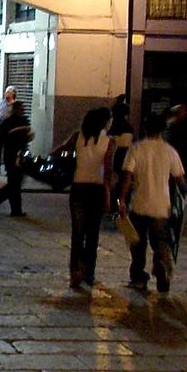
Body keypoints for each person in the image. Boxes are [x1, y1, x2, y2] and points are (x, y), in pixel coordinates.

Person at [117, 114, 187, 294]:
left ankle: (138, 276)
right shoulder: (170, 151)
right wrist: (185, 196)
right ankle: (162, 265)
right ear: (163, 130)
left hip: (139, 204)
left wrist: (122, 199)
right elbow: (180, 180)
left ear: (145, 128)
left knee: (138, 243)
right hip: (161, 206)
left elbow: (127, 176)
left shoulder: (136, 149)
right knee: (161, 241)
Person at [62, 106, 114, 289]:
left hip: (78, 188)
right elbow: (107, 172)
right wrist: (108, 195)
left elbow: (59, 151)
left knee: (77, 233)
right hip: (96, 189)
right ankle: (89, 274)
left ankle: (75, 271)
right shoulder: (108, 141)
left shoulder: (78, 136)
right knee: (92, 235)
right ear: (104, 121)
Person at [0, 101, 32, 217]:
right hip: (12, 155)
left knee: (16, 182)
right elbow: (0, 139)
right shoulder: (9, 122)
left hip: (18, 154)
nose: (22, 111)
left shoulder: (21, 121)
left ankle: (13, 208)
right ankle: (4, 202)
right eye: (20, 109)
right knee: (14, 182)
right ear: (15, 110)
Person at [0, 86, 17, 175]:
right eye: (6, 92)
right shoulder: (2, 103)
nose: (6, 94)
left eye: (9, 92)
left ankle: (8, 168)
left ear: (13, 94)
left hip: (9, 130)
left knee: (8, 151)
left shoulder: (14, 105)